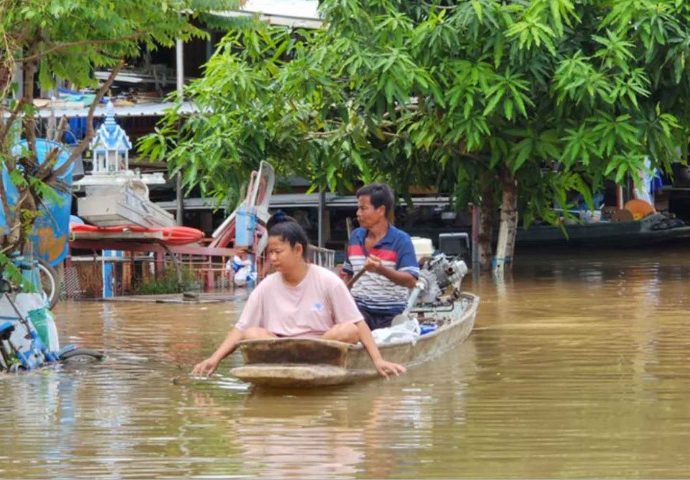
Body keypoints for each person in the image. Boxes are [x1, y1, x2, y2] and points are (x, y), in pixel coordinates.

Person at [192, 212, 406, 379]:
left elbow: (358, 324)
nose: (273, 258)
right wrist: (214, 359)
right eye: (270, 253)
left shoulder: (327, 280)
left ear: (297, 250)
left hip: (320, 347)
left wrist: (378, 360)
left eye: (278, 252)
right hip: (281, 350)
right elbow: (241, 329)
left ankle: (308, 363)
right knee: (251, 333)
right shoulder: (266, 286)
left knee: (348, 329)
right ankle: (287, 366)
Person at [341, 184, 419, 330]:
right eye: (358, 208)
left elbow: (411, 281)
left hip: (392, 314)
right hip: (359, 313)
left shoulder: (401, 240)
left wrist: (381, 269)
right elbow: (348, 274)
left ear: (381, 210)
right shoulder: (355, 237)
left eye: (363, 208)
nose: (358, 213)